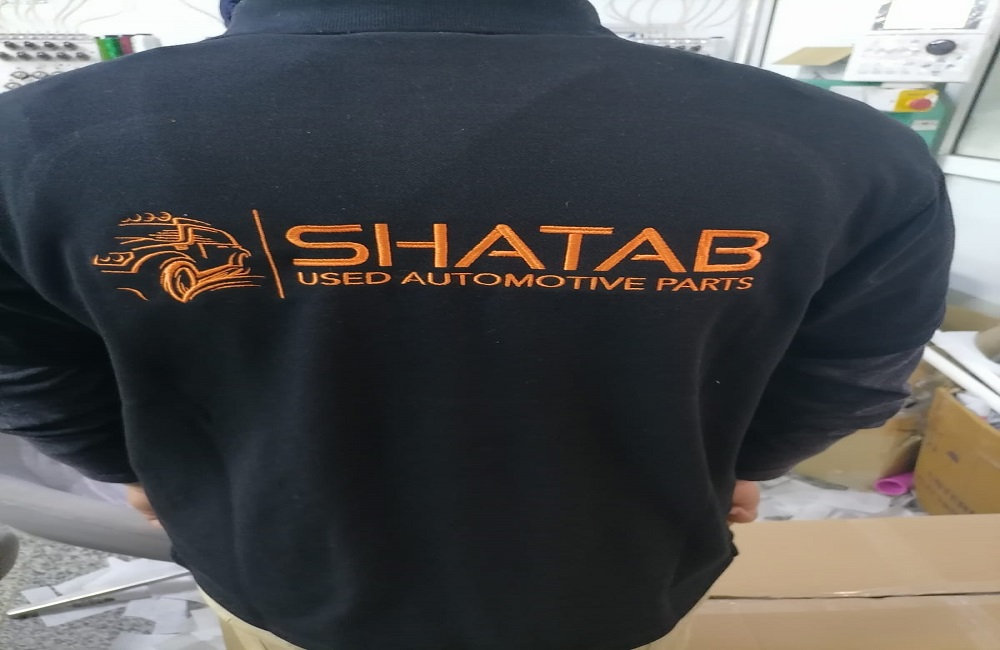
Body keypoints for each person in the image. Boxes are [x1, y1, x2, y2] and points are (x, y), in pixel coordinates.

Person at [0, 0, 953, 648]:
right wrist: (747, 461)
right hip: (620, 572)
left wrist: (131, 465)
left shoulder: (36, 142)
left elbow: (25, 369)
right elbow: (851, 375)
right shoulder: (848, 151)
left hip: (286, 573)